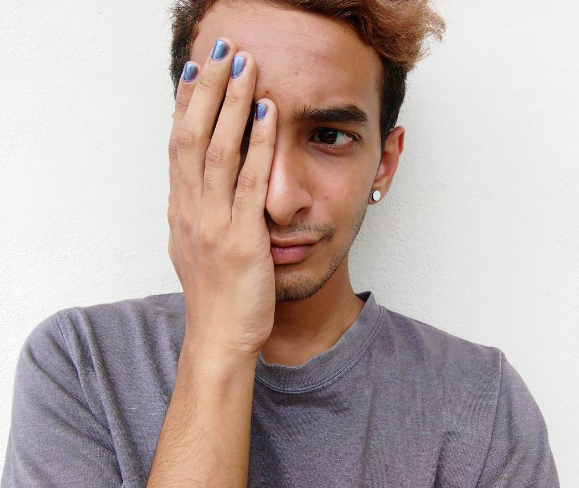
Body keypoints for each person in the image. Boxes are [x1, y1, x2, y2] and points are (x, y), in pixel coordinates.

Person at [1, 0, 560, 486]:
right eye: (239, 130)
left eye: (330, 136)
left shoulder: (482, 404)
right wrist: (218, 345)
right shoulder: (80, 366)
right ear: (188, 141)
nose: (279, 199)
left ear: (384, 164)